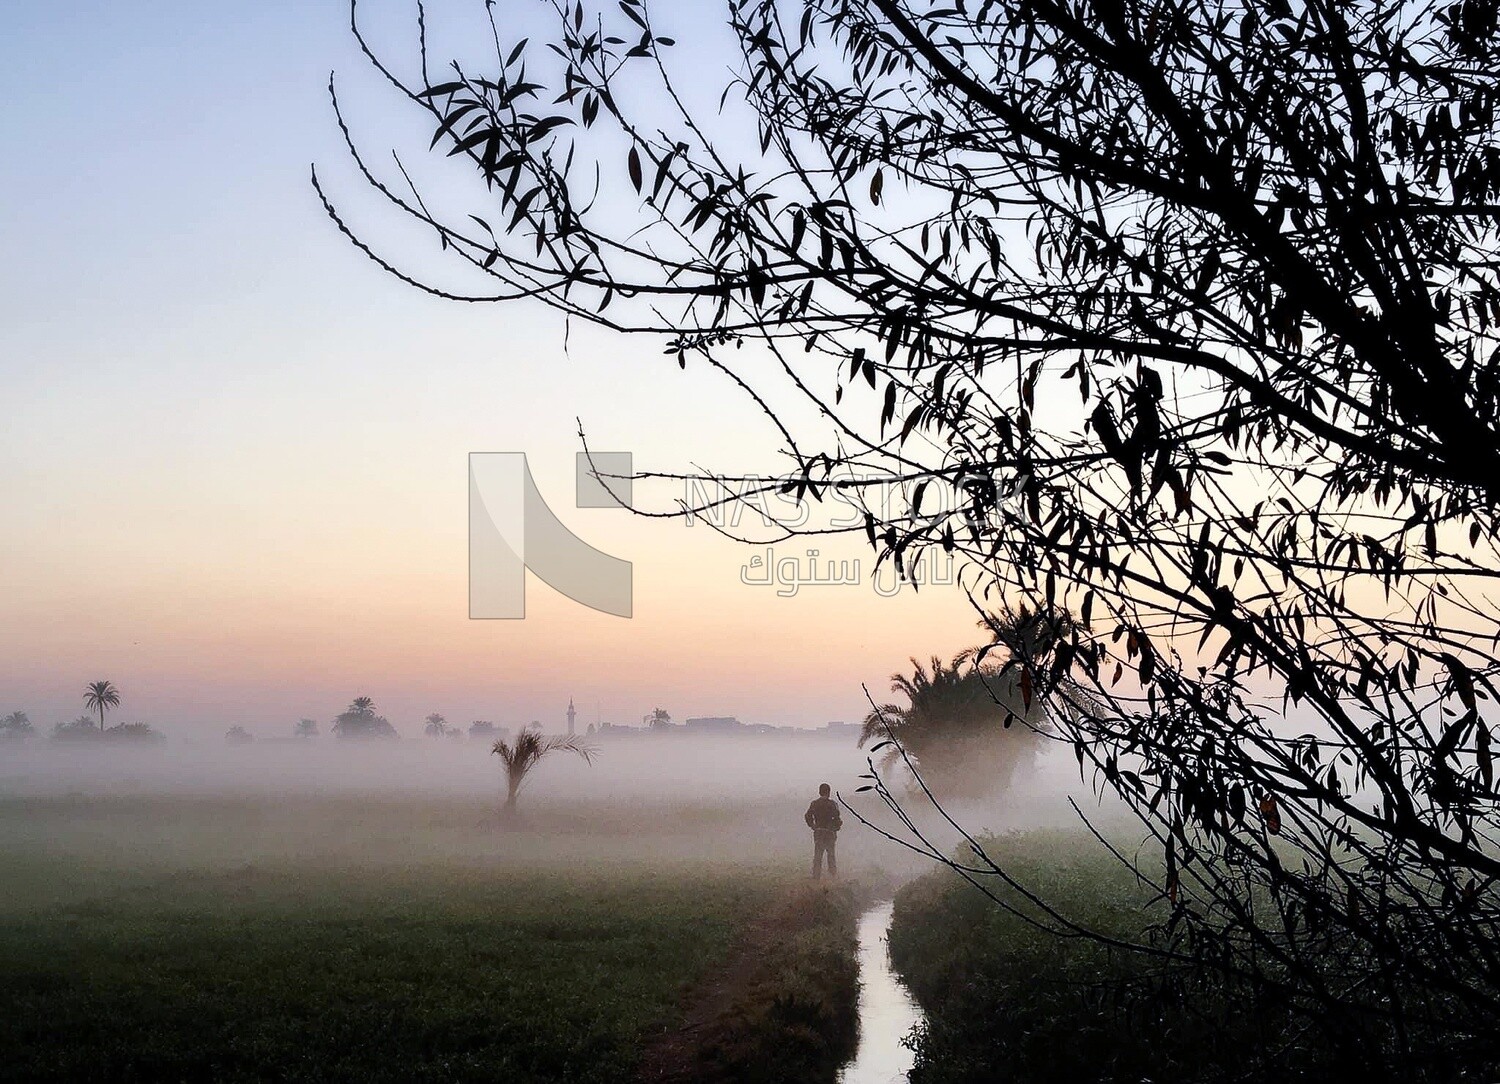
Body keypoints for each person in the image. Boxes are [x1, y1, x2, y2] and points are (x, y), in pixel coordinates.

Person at [805, 783, 842, 879]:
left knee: (818, 856)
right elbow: (837, 819)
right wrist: (836, 827)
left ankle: (816, 877)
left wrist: (813, 826)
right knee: (831, 856)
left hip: (819, 832)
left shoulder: (814, 803)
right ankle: (833, 876)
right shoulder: (833, 804)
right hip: (830, 833)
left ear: (819, 792)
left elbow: (808, 816)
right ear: (829, 792)